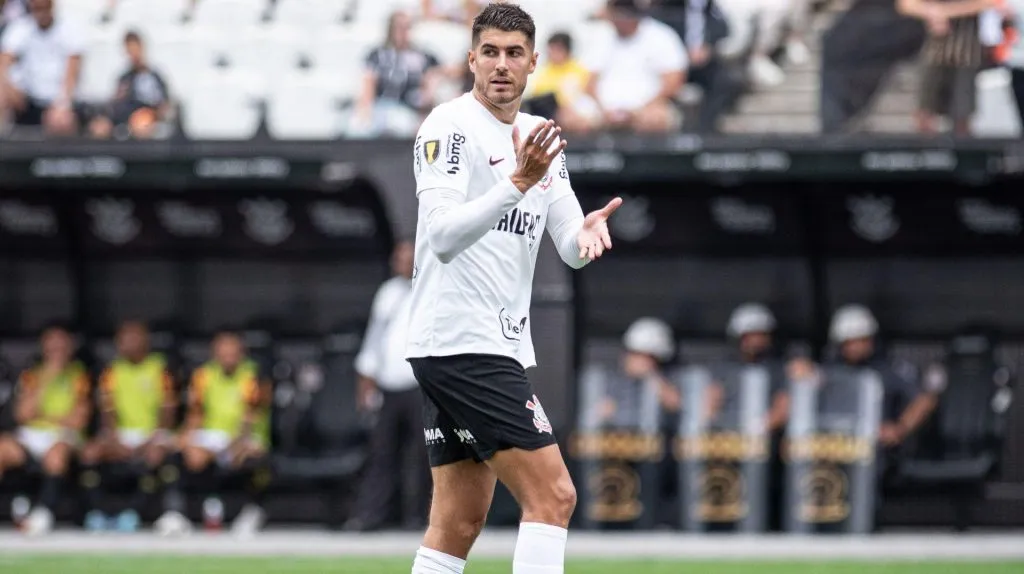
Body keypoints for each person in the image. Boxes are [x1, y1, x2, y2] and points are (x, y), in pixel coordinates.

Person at [405, 4, 623, 573]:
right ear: (471, 59)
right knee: (554, 496)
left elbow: (570, 246)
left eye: (514, 54)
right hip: (461, 341)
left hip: (483, 344)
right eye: (491, 53)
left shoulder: (539, 138)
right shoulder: (447, 125)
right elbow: (445, 235)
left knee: (458, 522)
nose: (502, 65)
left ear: (533, 65)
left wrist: (588, 234)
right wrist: (516, 182)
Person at [344, 240, 430, 532]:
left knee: (425, 454)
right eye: (399, 256)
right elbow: (374, 338)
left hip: (421, 385)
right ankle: (372, 515)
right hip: (389, 385)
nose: (402, 262)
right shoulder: (387, 292)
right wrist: (366, 380)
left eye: (408, 257)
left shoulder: (431, 287)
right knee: (381, 453)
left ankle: (421, 517)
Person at [155, 330, 271, 536]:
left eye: (232, 352)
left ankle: (251, 511)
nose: (228, 357)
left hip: (246, 436)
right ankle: (176, 513)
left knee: (249, 456)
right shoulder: (203, 375)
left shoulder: (254, 376)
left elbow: (250, 418)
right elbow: (196, 415)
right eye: (223, 352)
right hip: (212, 436)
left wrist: (231, 447)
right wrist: (186, 439)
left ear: (241, 353)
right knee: (178, 450)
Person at [78, 320, 177, 532]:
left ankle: (133, 513)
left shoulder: (159, 368)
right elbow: (107, 412)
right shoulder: (111, 372)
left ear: (145, 341)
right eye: (123, 339)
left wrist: (150, 439)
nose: (127, 343)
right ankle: (97, 512)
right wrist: (114, 439)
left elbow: (168, 412)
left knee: (155, 455)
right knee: (90, 453)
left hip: (153, 433)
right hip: (121, 434)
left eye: (133, 338)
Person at [0, 324, 91, 536]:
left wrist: (44, 417)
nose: (56, 347)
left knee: (57, 453)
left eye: (61, 342)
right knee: (2, 448)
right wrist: (48, 376)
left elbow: (79, 420)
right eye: (51, 342)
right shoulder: (33, 375)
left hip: (62, 436)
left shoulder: (79, 375)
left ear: (70, 346)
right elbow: (23, 414)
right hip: (31, 436)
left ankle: (43, 512)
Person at [349, 10, 442, 138]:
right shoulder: (377, 55)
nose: (403, 32)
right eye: (399, 28)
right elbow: (368, 86)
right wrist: (365, 111)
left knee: (402, 125)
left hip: (408, 110)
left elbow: (430, 90)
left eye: (407, 27)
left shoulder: (424, 57)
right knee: (357, 128)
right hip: (379, 107)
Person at [0, 0, 85, 135]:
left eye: (44, 7)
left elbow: (72, 71)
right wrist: (9, 88)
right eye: (37, 8)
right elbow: (4, 62)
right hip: (29, 99)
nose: (41, 13)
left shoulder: (69, 29)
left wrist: (62, 104)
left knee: (62, 120)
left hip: (58, 100)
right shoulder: (21, 28)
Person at [88, 31, 172, 140]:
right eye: (130, 51)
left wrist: (150, 114)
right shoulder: (125, 78)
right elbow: (116, 104)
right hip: (125, 119)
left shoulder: (154, 77)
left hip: (147, 119)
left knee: (141, 123)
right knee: (99, 127)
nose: (133, 54)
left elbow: (163, 104)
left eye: (135, 49)